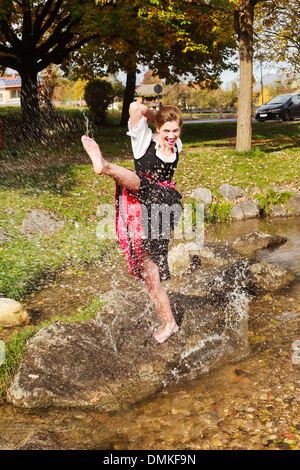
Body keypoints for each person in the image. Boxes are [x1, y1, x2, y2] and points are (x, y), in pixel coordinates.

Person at [81, 102, 183, 343]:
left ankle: (105, 166)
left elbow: (152, 184)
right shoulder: (142, 139)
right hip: (144, 210)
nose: (171, 136)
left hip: (165, 203)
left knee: (141, 181)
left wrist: (160, 119)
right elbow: (135, 107)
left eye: (175, 130)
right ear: (156, 127)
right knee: (150, 271)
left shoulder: (177, 145)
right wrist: (155, 114)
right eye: (166, 130)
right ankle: (169, 323)